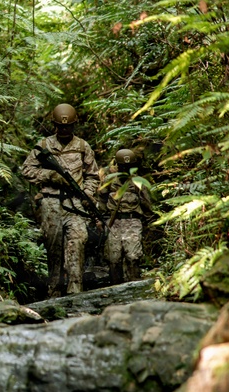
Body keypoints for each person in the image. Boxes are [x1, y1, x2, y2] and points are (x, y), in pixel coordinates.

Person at [21, 103, 100, 296]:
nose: (64, 130)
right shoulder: (43, 146)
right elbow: (26, 170)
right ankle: (54, 290)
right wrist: (49, 175)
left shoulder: (82, 146)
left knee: (78, 240)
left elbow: (93, 175)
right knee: (53, 247)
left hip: (75, 204)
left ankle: (75, 289)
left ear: (74, 125)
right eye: (60, 126)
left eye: (68, 126)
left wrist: (88, 194)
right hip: (51, 203)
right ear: (54, 125)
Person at [97, 148, 154, 285]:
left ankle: (134, 284)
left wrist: (151, 223)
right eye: (122, 166)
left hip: (132, 221)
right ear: (117, 165)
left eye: (128, 166)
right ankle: (115, 289)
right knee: (113, 258)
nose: (125, 169)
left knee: (133, 256)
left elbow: (146, 204)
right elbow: (101, 198)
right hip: (113, 222)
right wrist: (101, 218)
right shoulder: (110, 180)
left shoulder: (138, 182)